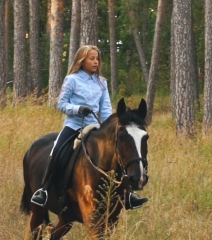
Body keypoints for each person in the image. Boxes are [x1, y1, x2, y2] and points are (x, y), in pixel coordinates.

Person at [31, 45, 148, 210]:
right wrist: (78, 109)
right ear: (82, 60)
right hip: (74, 125)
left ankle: (127, 194)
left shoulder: (102, 82)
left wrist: (109, 127)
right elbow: (61, 104)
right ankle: (44, 190)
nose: (96, 62)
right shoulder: (72, 79)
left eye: (97, 59)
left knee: (119, 154)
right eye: (92, 58)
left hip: (95, 126)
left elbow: (106, 108)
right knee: (57, 151)